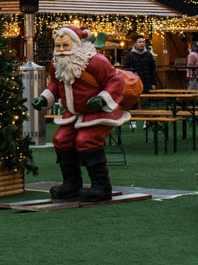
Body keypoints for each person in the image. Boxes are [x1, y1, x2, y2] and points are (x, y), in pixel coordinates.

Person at [32, 24, 131, 202]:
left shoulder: (96, 61)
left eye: (65, 45)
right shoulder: (57, 63)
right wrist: (44, 98)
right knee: (61, 139)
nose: (61, 50)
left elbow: (115, 80)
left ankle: (101, 186)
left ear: (76, 44)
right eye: (59, 46)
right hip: (73, 112)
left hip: (98, 112)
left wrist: (102, 99)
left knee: (86, 139)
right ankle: (71, 184)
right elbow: (55, 84)